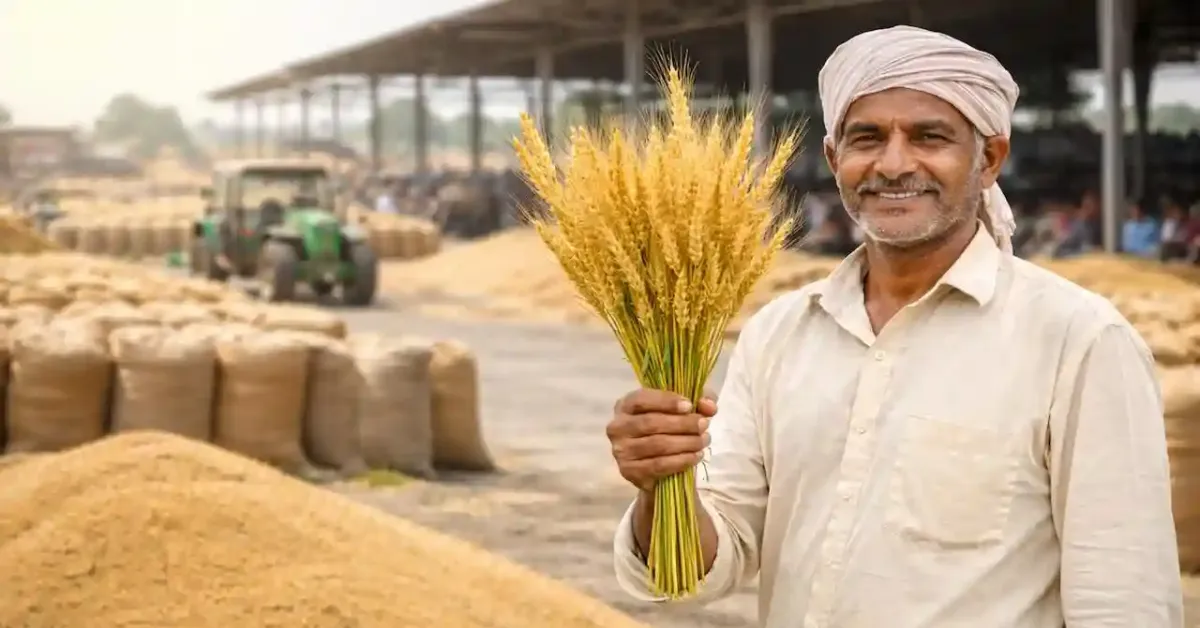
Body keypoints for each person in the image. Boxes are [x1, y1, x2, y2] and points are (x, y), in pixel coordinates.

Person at [606, 25, 1182, 628]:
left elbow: (1125, 599)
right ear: (835, 160)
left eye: (930, 137)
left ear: (989, 159)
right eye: (867, 138)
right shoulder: (778, 333)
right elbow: (701, 571)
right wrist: (659, 487)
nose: (894, 163)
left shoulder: (1078, 341)